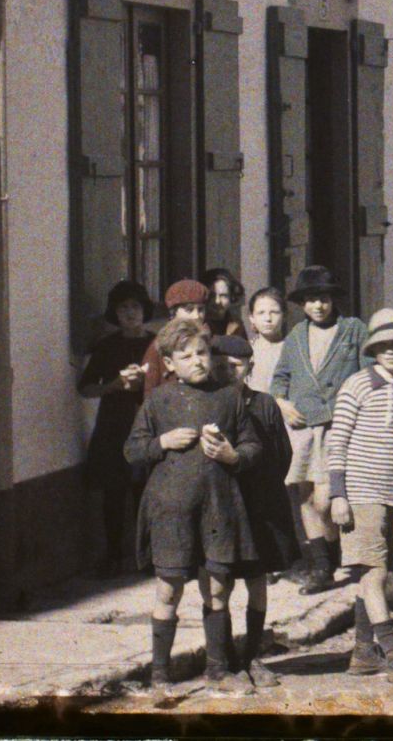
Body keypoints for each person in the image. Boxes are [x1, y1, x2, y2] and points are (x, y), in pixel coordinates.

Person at [123, 318, 263, 696]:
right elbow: (132, 450)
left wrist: (233, 454)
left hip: (219, 508)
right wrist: (162, 442)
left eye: (201, 352)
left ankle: (218, 671)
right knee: (168, 591)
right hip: (171, 511)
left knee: (217, 589)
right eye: (185, 356)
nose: (197, 361)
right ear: (169, 363)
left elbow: (253, 446)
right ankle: (160, 677)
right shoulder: (158, 401)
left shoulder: (229, 396)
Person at [328, 308, 393, 685]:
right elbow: (336, 443)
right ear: (374, 348)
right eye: (384, 344)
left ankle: (361, 652)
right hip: (360, 493)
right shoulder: (356, 385)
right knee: (372, 572)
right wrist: (338, 495)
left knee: (380, 574)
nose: (392, 351)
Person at [269, 264, 369, 594]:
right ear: (302, 304)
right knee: (305, 495)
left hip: (337, 425)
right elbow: (280, 378)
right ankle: (321, 566)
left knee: (326, 499)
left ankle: (335, 553)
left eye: (324, 299)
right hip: (303, 428)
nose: (318, 306)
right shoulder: (297, 335)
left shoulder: (353, 329)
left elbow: (368, 374)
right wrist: (282, 403)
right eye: (311, 300)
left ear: (333, 300)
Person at [212, 334, 301, 688]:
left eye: (235, 366)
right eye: (222, 366)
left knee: (257, 580)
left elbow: (282, 454)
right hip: (223, 508)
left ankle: (252, 655)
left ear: (249, 366)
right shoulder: (211, 404)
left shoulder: (264, 405)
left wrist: (261, 489)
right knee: (222, 582)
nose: (229, 372)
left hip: (259, 504)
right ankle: (229, 660)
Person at [78, 279, 156, 576]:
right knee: (113, 494)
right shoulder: (107, 347)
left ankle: (145, 555)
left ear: (144, 310)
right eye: (123, 308)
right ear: (115, 313)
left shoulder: (156, 344)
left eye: (135, 306)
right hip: (114, 427)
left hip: (148, 425)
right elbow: (84, 389)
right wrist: (114, 385)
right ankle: (113, 555)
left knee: (144, 493)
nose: (130, 313)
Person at [141, 279, 213, 392]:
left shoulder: (207, 339)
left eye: (200, 309)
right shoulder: (160, 345)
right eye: (189, 310)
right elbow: (150, 390)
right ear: (174, 313)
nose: (196, 316)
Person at [243, 287, 290, 408]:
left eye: (274, 312)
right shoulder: (245, 351)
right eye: (261, 313)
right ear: (252, 318)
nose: (268, 319)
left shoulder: (293, 349)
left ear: (284, 316)